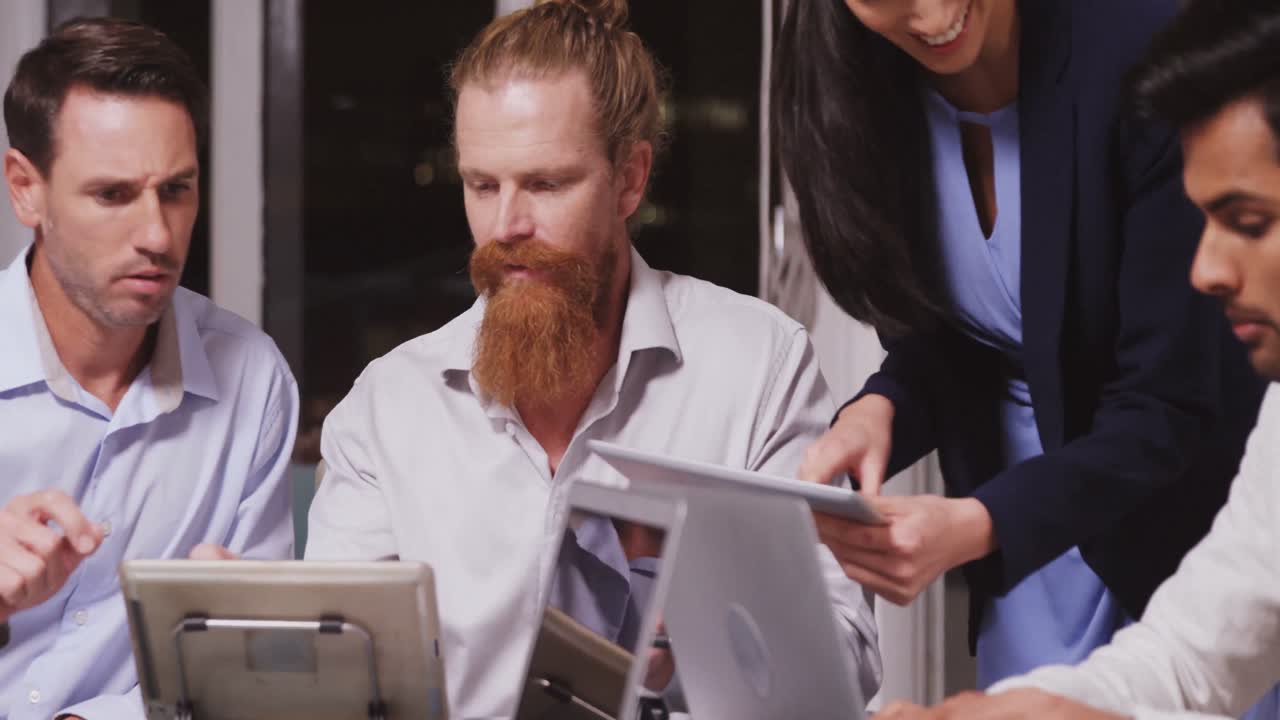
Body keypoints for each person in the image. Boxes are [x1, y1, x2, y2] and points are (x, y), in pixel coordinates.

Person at [303, 0, 880, 716]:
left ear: (630, 180)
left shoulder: (759, 369)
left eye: (545, 184)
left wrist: (712, 636)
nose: (507, 226)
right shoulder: (387, 410)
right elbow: (333, 689)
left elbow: (845, 668)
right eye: (483, 185)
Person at [773, 0, 1266, 693]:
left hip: (1182, 509)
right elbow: (944, 340)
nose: (932, 11)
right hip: (1029, 539)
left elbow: (1170, 400)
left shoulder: (1143, 50)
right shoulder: (861, 90)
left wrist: (982, 523)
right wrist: (880, 407)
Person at [0, 17, 297, 719]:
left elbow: (251, 674)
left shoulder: (251, 379)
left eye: (177, 190)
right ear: (25, 189)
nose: (158, 236)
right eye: (113, 195)